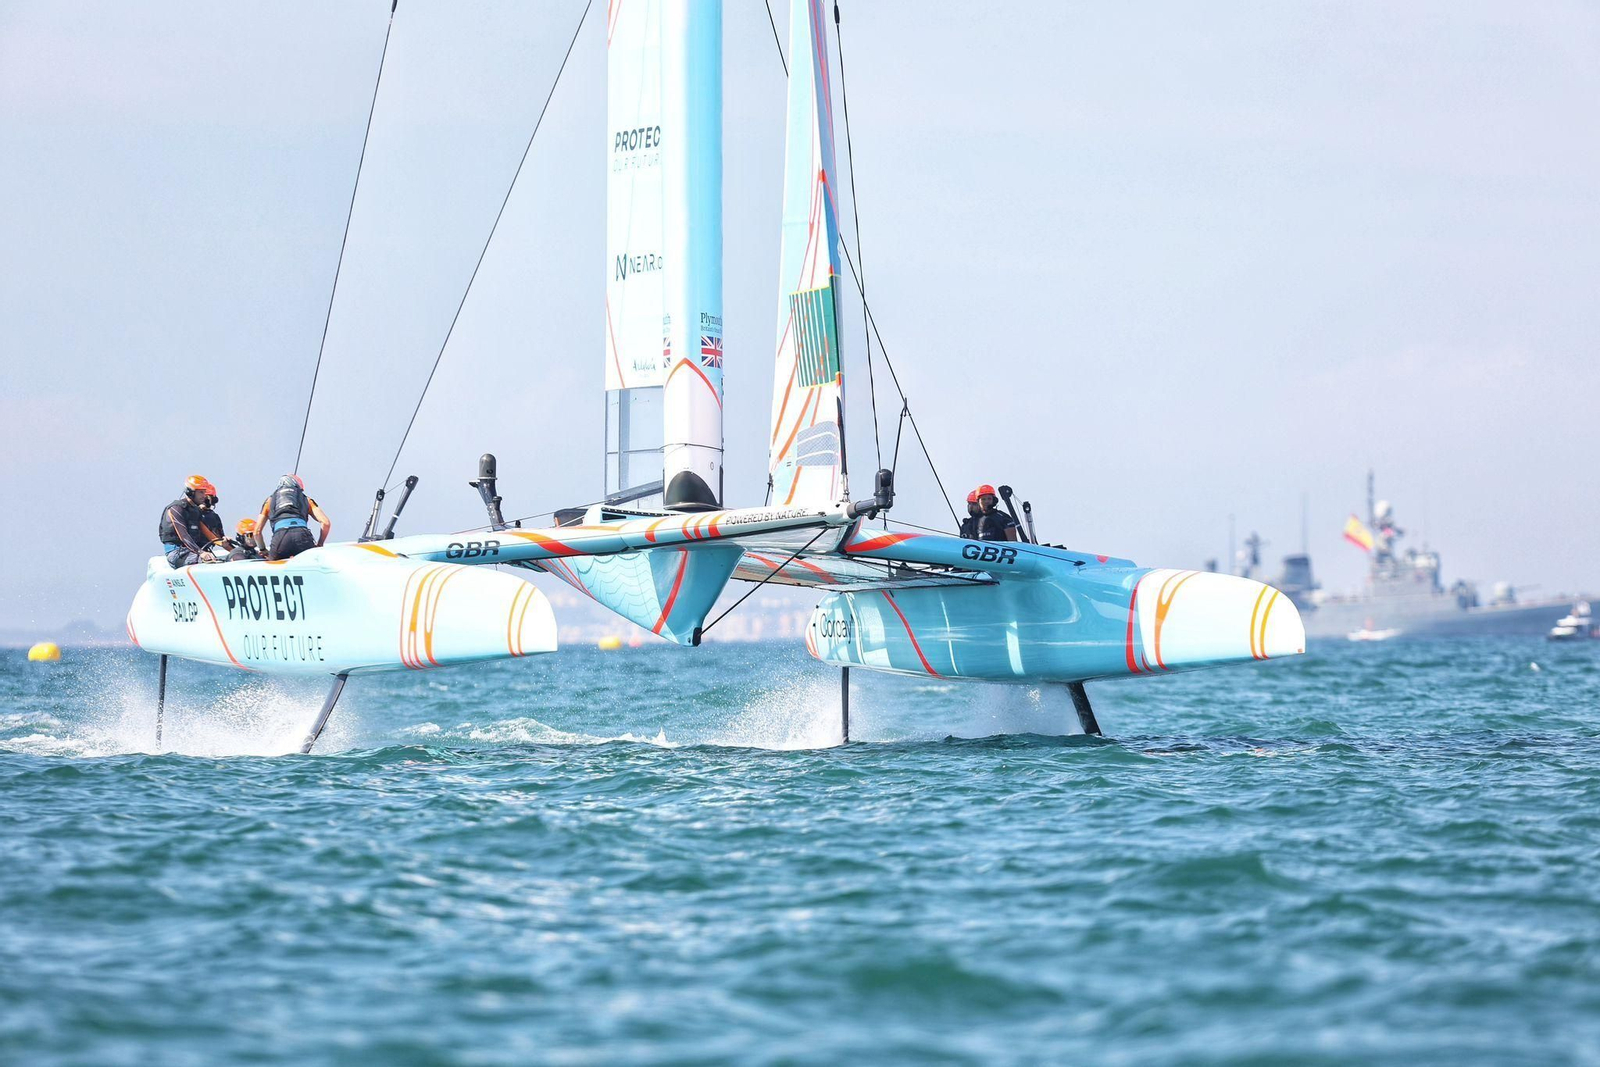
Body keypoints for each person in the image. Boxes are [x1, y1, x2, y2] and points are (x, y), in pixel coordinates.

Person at [257, 474, 331, 561]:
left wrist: (263, 550)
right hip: (302, 536)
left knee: (272, 566)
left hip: (280, 539)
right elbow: (326, 523)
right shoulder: (306, 499)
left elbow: (257, 532)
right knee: (312, 564)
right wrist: (320, 544)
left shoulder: (269, 501)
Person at [158, 475, 215, 567]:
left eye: (204, 492)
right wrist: (201, 553)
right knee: (207, 562)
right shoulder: (176, 509)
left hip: (193, 551)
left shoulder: (195, 510)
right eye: (201, 492)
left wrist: (222, 542)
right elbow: (184, 536)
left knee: (218, 561)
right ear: (190, 492)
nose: (204, 496)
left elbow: (207, 533)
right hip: (176, 553)